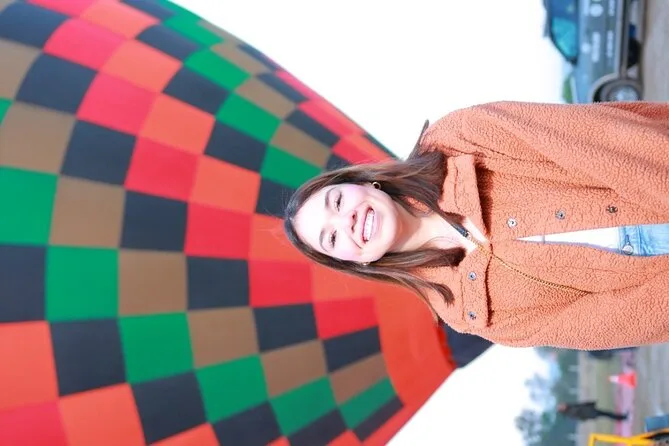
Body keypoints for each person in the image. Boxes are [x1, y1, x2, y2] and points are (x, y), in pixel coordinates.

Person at [283, 100, 669, 350]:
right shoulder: (464, 311)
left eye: (337, 201)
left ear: (365, 183)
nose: (346, 220)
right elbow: (603, 324)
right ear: (356, 262)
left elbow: (596, 141)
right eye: (331, 237)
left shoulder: (457, 139)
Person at [557, 401, 628, 422]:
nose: (563, 404)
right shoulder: (570, 413)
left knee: (607, 414)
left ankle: (622, 417)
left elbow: (581, 405)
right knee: (607, 414)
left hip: (591, 410)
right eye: (562, 406)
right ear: (562, 409)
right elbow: (580, 414)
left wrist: (590, 404)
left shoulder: (571, 406)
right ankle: (623, 417)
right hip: (591, 413)